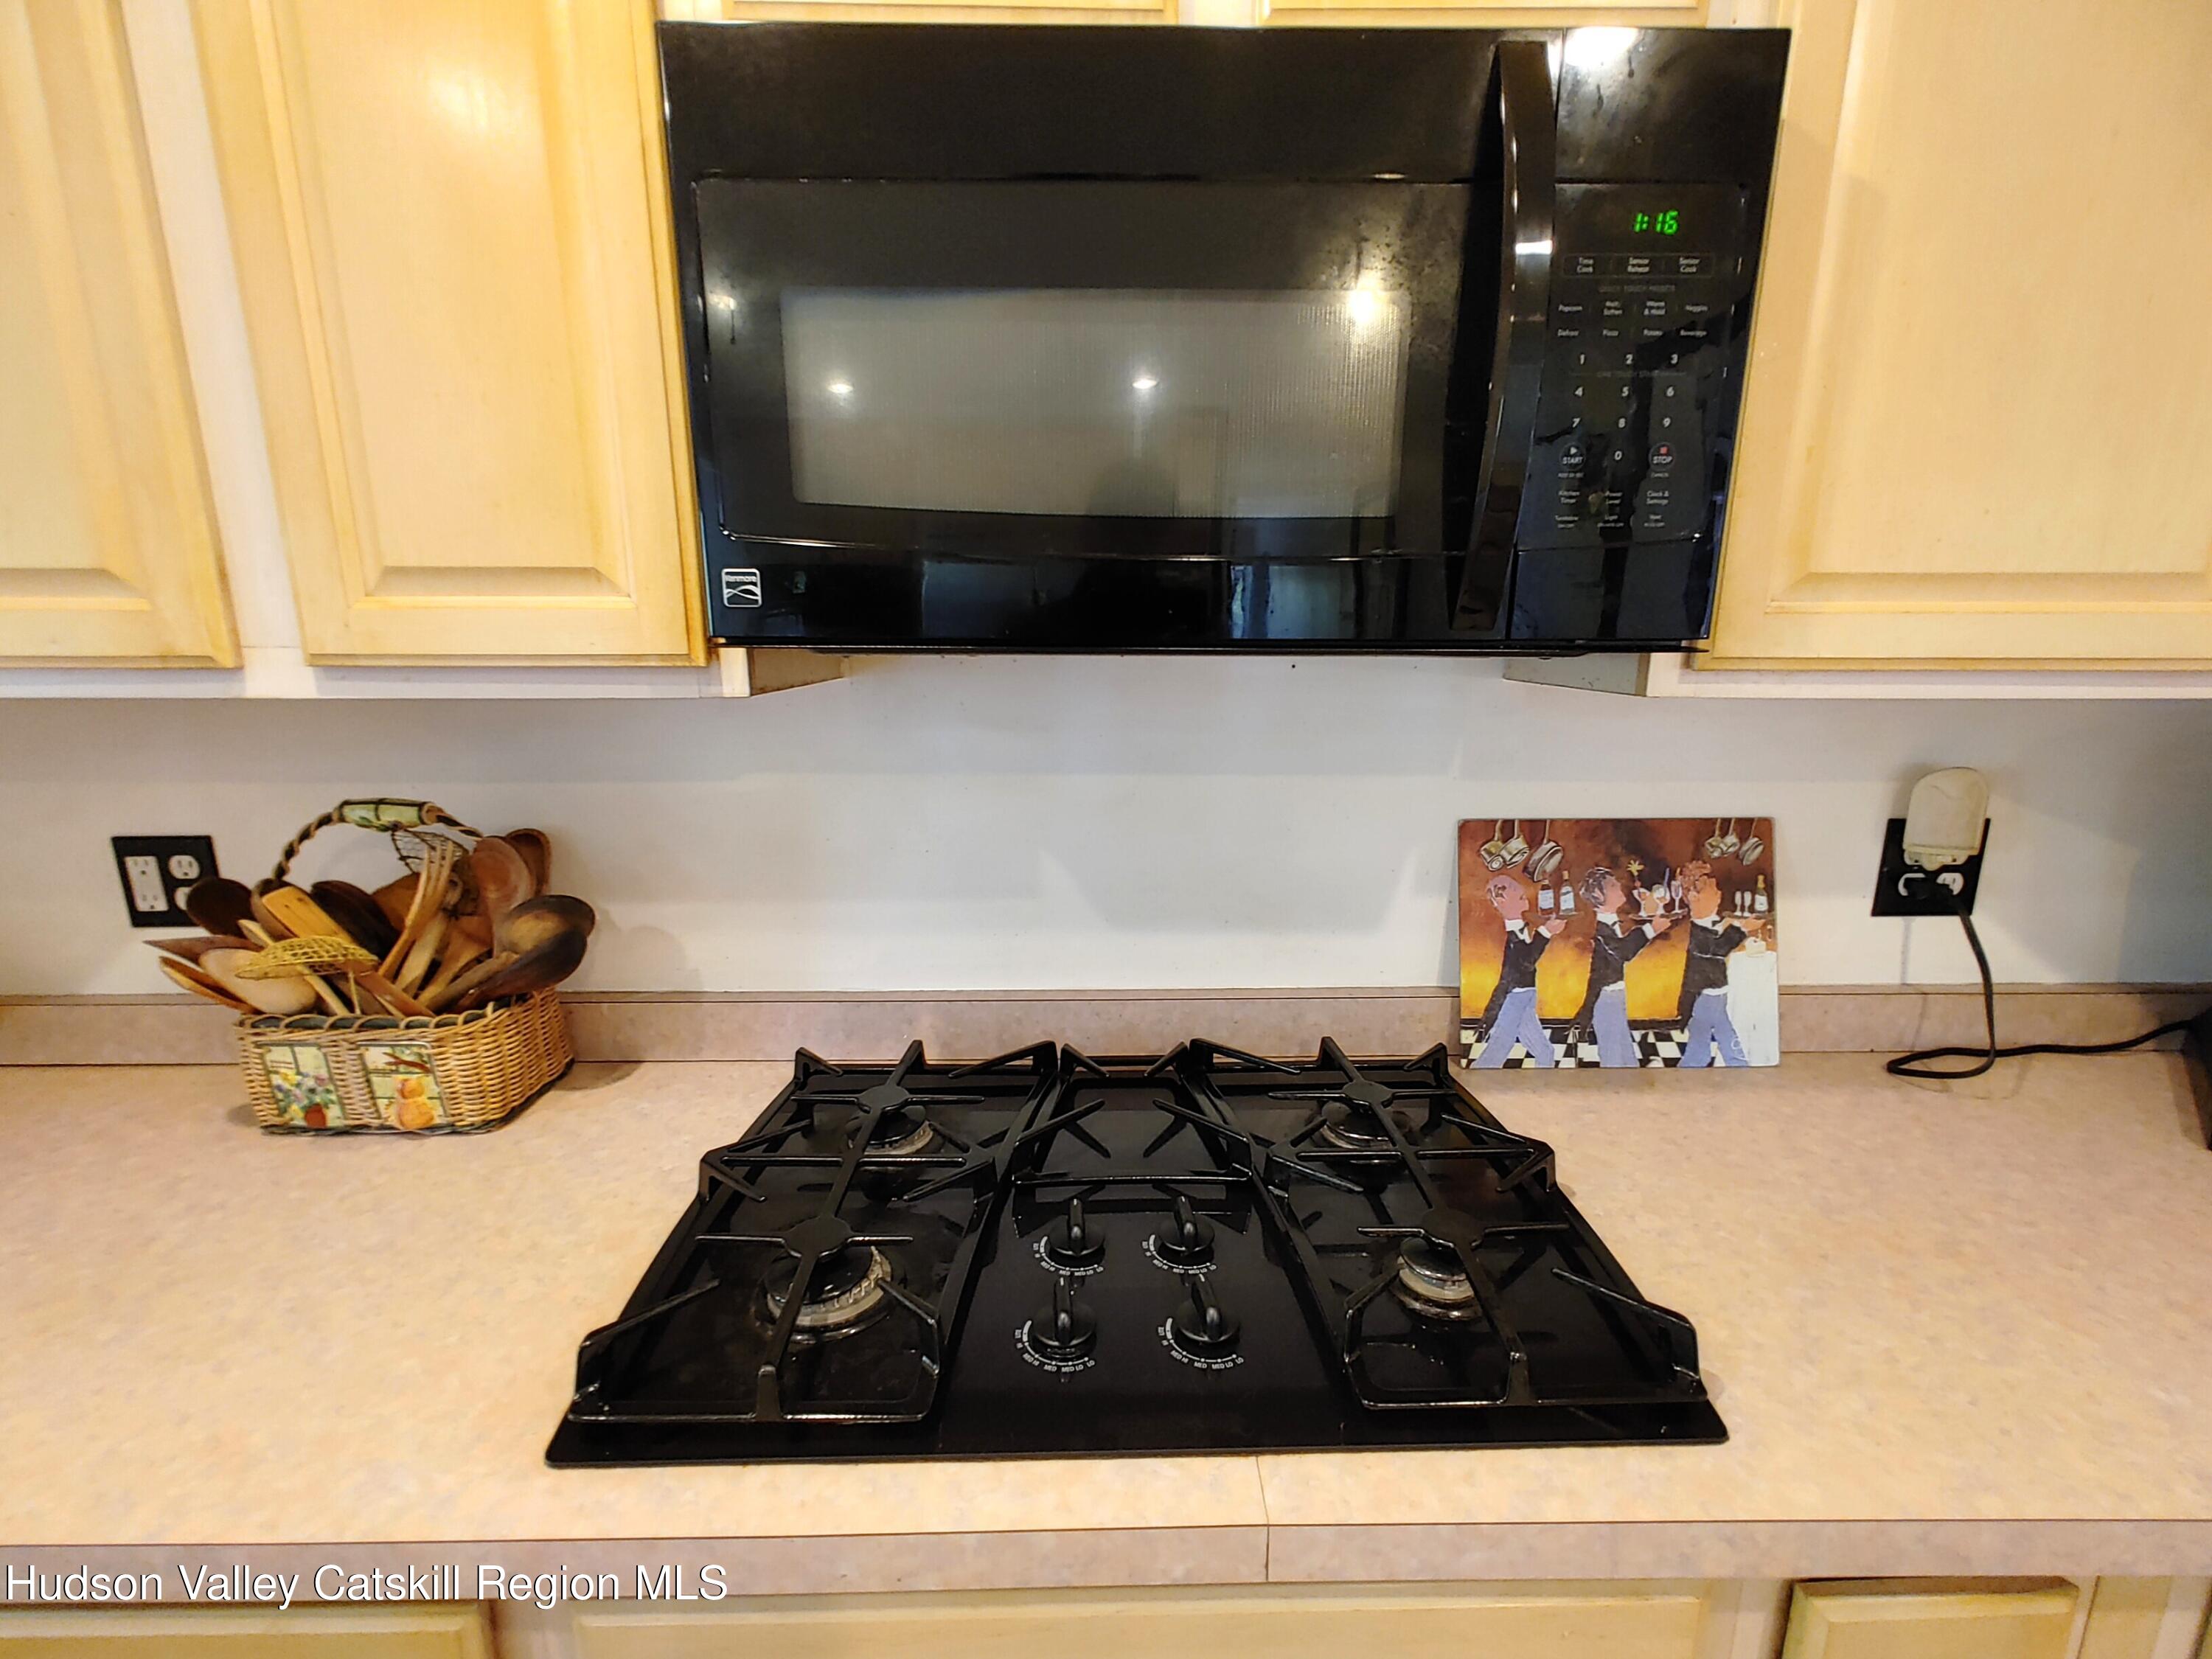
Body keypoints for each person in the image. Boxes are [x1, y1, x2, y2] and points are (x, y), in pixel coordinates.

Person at [1575, 867, 1672, 1067]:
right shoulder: (1603, 931)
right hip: (1606, 999)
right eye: (1612, 885)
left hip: (1615, 995)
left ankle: (1630, 1083)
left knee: (1624, 1050)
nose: (1619, 886)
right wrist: (1651, 929)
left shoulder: (1612, 924)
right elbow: (1624, 951)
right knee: (1613, 1055)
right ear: (1598, 895)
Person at [1675, 860, 1768, 1068]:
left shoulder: (1706, 925)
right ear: (1694, 898)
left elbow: (1716, 935)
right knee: (1708, 1044)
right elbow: (1718, 948)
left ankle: (1735, 1064)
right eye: (1713, 890)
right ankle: (1734, 1065)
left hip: (1712, 996)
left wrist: (1733, 926)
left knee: (1712, 1041)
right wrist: (1743, 928)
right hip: (1705, 998)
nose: (1719, 894)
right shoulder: (1699, 934)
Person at [1473, 873, 1566, 1068]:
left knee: (1545, 1052)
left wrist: (1546, 928)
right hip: (1514, 1000)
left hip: (1525, 998)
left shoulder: (1520, 932)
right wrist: (1547, 932)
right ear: (1501, 901)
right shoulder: (1514, 939)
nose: (1521, 890)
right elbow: (1527, 960)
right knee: (1494, 1056)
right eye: (1512, 888)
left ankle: (1542, 1090)